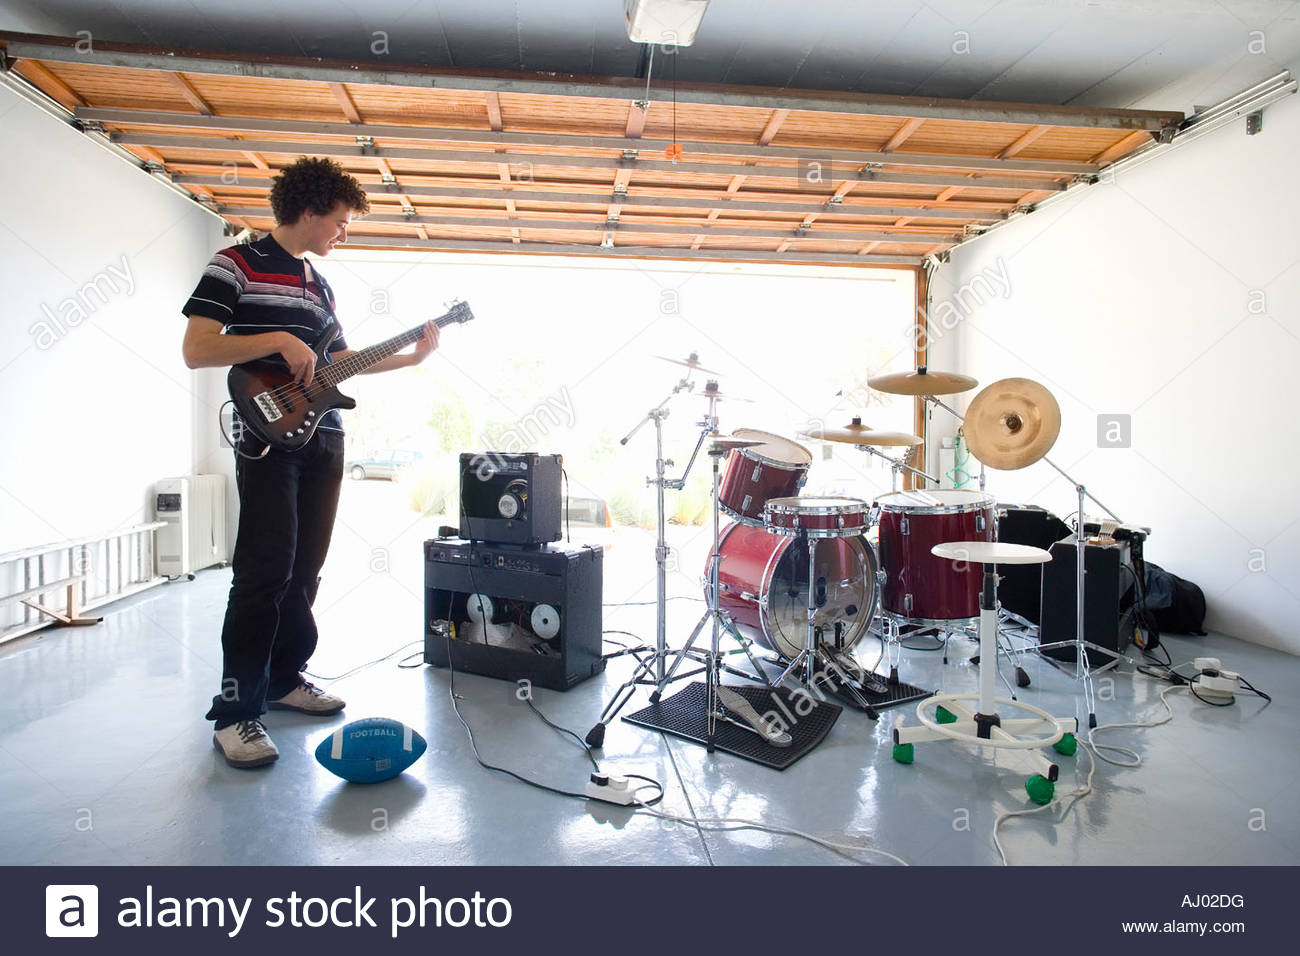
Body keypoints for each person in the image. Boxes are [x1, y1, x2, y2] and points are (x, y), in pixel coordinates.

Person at [181, 156, 440, 769]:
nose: (343, 233)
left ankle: (284, 678)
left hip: (324, 437)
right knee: (263, 570)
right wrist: (278, 340)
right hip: (268, 440)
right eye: (341, 221)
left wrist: (411, 359)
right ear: (308, 211)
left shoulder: (320, 285)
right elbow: (196, 349)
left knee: (305, 568)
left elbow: (339, 362)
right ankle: (237, 713)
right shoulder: (235, 263)